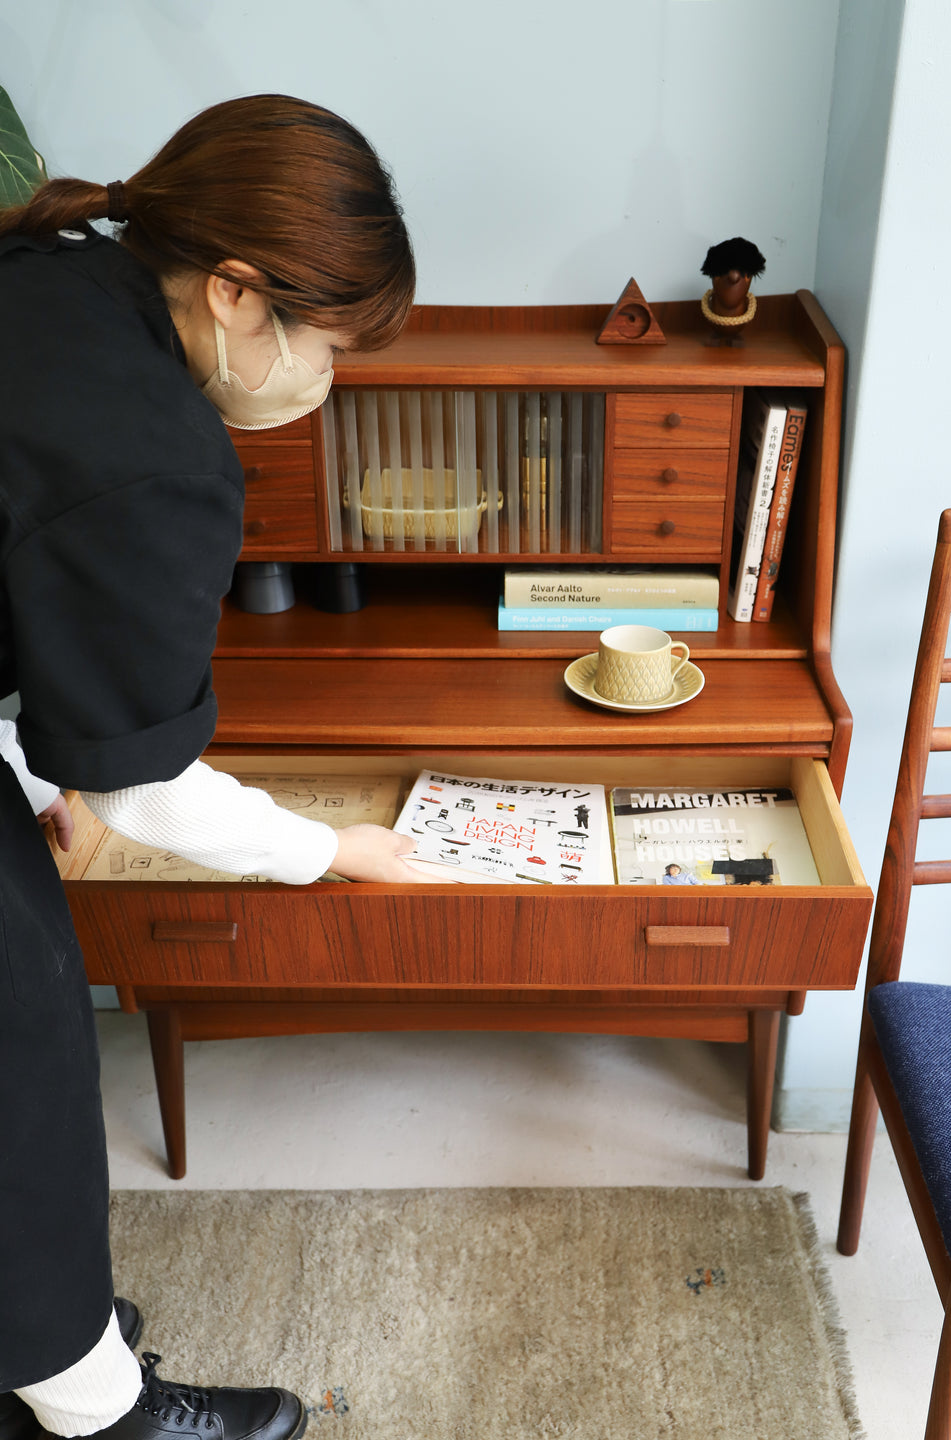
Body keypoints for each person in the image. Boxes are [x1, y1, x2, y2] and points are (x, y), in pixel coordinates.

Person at [0, 93, 447, 1440]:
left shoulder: (56, 266)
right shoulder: (151, 451)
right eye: (326, 343)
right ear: (240, 292)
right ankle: (97, 1410)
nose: (327, 379)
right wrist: (333, 847)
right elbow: (146, 789)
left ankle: (43, 1349)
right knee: (22, 1067)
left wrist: (30, 779)